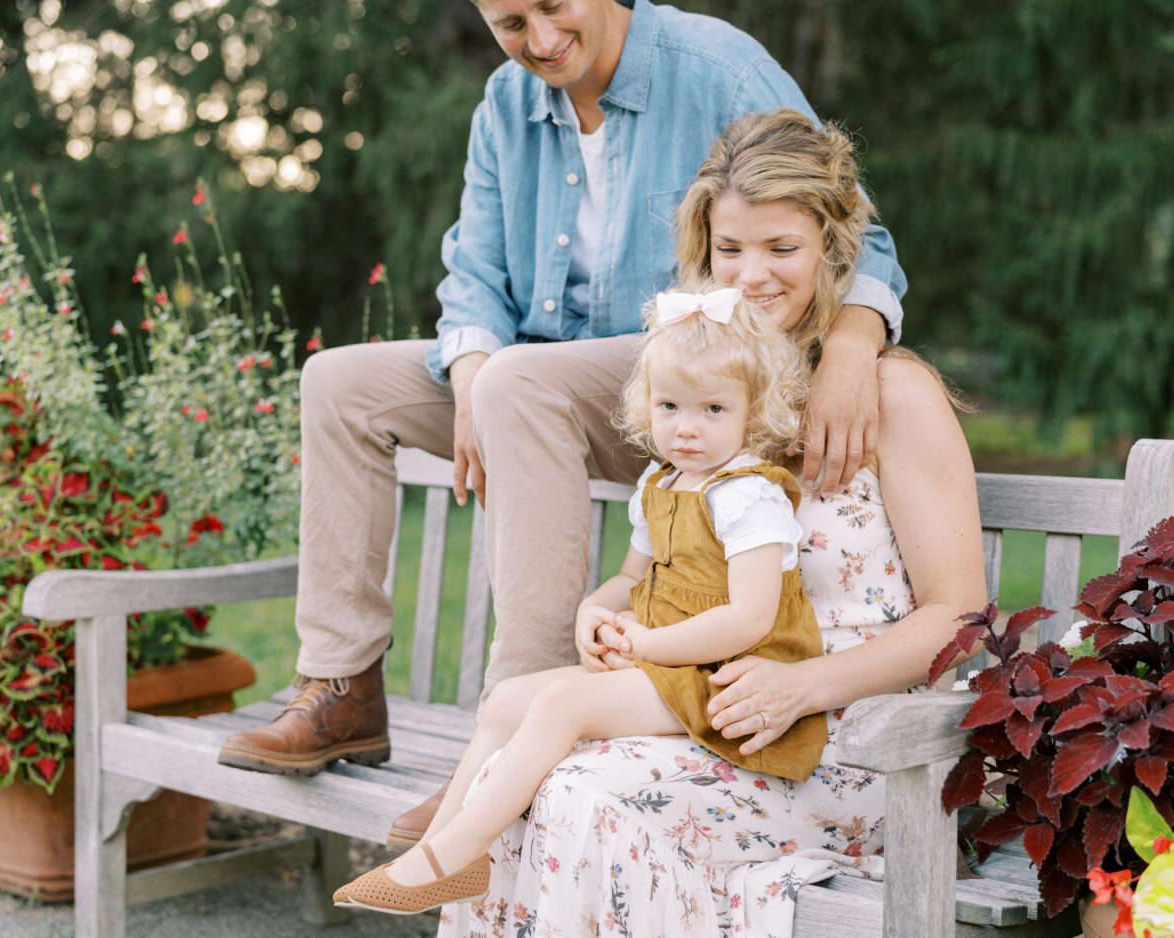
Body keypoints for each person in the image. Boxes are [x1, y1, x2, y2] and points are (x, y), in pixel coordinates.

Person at [217, 0, 909, 845]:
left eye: (553, 8)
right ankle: (341, 687)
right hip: (538, 387)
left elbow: (851, 231)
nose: (539, 42)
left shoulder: (717, 67)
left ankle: (511, 747)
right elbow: (472, 272)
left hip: (695, 389)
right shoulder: (507, 106)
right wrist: (469, 374)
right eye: (511, 21)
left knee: (520, 381)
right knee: (341, 382)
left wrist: (850, 347)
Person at [437, 109, 986, 937]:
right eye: (731, 250)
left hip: (857, 742)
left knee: (589, 795)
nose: (754, 275)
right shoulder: (709, 399)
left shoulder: (891, 392)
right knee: (531, 775)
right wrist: (612, 614)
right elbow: (665, 565)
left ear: (833, 248)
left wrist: (803, 685)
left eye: (781, 249)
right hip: (708, 713)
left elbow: (961, 618)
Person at [334, 281, 831, 914]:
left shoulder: (749, 495)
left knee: (564, 700)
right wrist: (596, 610)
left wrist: (649, 643)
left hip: (733, 684)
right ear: (647, 406)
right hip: (669, 666)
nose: (686, 428)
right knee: (511, 699)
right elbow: (631, 578)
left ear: (751, 413)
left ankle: (445, 855)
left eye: (713, 410)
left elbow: (750, 618)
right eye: (671, 406)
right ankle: (444, 854)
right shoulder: (661, 481)